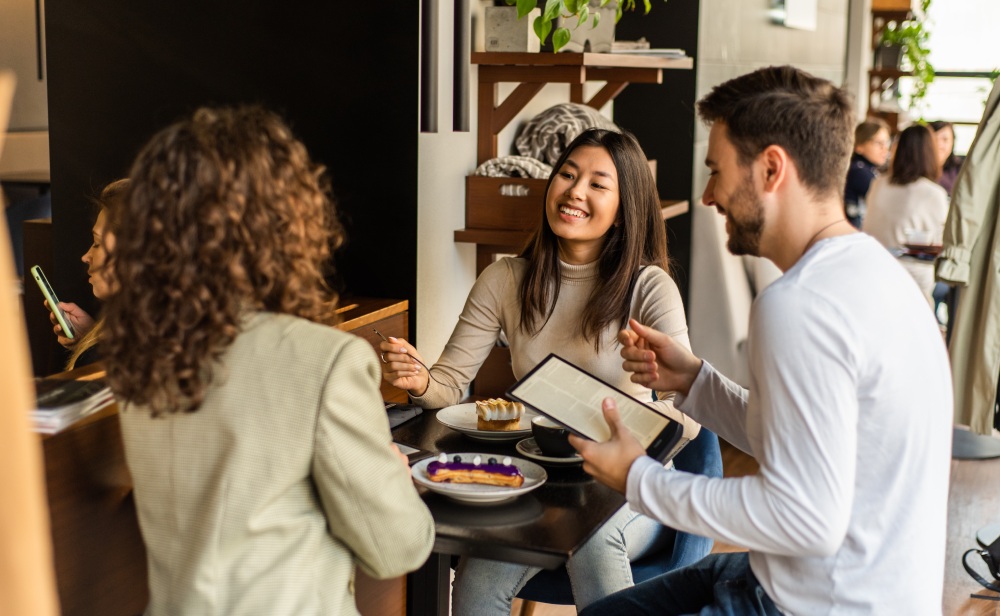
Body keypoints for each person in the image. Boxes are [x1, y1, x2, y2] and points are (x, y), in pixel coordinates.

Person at [572, 66, 952, 615]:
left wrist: (640, 479)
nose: (707, 196)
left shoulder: (800, 305)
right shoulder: (876, 273)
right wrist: (695, 381)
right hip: (832, 585)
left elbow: (804, 517)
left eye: (716, 171)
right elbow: (807, 444)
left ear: (772, 168)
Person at [100, 105, 434, 615]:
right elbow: (396, 547)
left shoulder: (141, 355)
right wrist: (390, 473)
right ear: (283, 220)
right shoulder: (324, 361)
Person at [379, 128, 707, 614]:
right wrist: (420, 381)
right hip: (541, 483)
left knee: (594, 543)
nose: (575, 191)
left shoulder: (648, 288)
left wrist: (654, 385)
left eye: (598, 184)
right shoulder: (506, 278)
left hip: (628, 484)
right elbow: (449, 384)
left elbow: (690, 418)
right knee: (473, 588)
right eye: (568, 175)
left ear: (625, 209)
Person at [45, 178, 128, 371]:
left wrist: (92, 352)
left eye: (97, 244)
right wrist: (90, 337)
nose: (85, 256)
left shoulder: (104, 360)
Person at [863, 124, 950, 307]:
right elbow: (939, 246)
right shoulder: (933, 194)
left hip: (873, 274)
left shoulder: (878, 184)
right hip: (912, 284)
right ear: (930, 153)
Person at [843, 117, 890, 229]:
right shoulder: (859, 171)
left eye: (887, 143)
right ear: (859, 146)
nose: (884, 149)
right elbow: (886, 204)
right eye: (879, 143)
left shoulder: (868, 169)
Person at [928, 120, 965, 196]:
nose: (939, 144)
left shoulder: (961, 169)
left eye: (945, 139)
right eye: (934, 139)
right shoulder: (916, 169)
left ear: (952, 143)